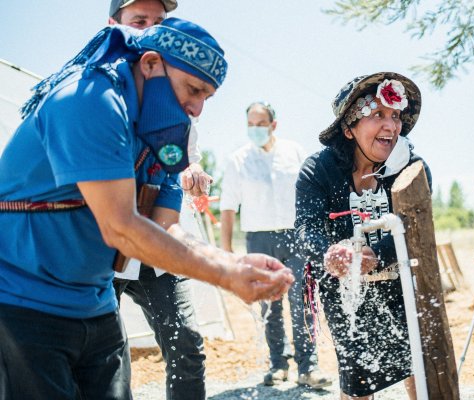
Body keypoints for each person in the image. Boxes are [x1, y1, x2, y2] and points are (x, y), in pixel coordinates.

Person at [0, 18, 293, 400]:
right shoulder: (89, 100)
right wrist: (225, 273)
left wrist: (234, 263)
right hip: (26, 301)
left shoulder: (165, 134)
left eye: (207, 96)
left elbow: (165, 227)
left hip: (95, 302)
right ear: (151, 64)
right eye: (193, 89)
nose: (198, 108)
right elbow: (120, 228)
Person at [295, 72, 428, 399]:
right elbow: (305, 229)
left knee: (419, 362)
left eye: (395, 115)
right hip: (344, 288)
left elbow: (415, 224)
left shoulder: (411, 167)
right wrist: (329, 254)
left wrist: (376, 254)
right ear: (349, 128)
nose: (391, 125)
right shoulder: (318, 169)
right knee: (357, 377)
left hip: (403, 280)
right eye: (378, 115)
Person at [108, 2, 214, 399]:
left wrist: (191, 174)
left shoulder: (180, 106)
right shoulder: (93, 97)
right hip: (99, 251)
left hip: (153, 243)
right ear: (113, 27)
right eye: (139, 22)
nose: (151, 32)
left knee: (185, 342)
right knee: (108, 357)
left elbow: (184, 162)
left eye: (160, 24)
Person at [219, 101, 332, 389]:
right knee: (269, 305)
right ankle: (278, 365)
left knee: (303, 302)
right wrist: (226, 250)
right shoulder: (237, 160)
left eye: (261, 123)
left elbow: (312, 192)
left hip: (296, 237)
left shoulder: (294, 152)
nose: (255, 129)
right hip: (259, 239)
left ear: (273, 125)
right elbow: (228, 206)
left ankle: (309, 367)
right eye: (251, 124)